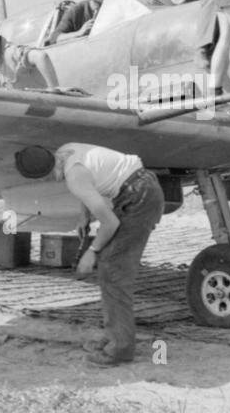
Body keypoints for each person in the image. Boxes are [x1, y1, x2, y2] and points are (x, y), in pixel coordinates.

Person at [54, 143, 165, 366]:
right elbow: (89, 183)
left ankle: (120, 349)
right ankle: (116, 335)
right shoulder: (69, 150)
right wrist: (84, 215)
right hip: (142, 187)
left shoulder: (72, 176)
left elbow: (110, 223)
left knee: (113, 271)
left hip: (137, 197)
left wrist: (92, 252)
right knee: (111, 267)